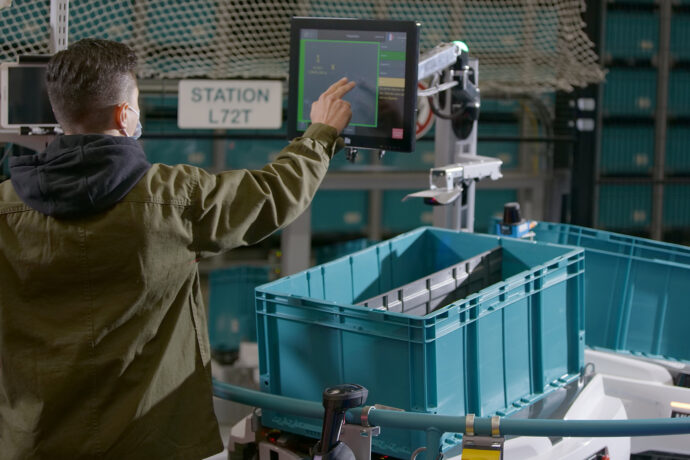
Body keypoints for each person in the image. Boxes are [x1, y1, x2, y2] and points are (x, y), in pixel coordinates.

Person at [0, 38, 355, 459]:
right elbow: (273, 193)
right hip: (155, 443)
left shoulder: (6, 209)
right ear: (125, 113)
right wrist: (320, 134)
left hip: (36, 444)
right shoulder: (175, 198)